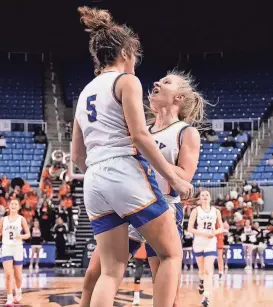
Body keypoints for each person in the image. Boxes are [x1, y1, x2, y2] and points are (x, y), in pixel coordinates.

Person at [72, 7, 193, 307]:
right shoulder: (126, 81)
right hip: (121, 172)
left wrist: (101, 172)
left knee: (110, 272)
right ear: (126, 52)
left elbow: (77, 154)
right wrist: (172, 177)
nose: (135, 62)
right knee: (171, 254)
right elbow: (140, 136)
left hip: (93, 180)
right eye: (135, 56)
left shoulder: (84, 92)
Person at [188, 190, 223, 307]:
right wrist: (203, 234)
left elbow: (221, 227)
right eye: (202, 195)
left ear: (210, 198)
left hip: (210, 242)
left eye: (206, 195)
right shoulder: (195, 211)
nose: (204, 197)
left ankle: (206, 297)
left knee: (209, 271)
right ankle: (201, 282)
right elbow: (190, 228)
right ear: (199, 199)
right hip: (199, 241)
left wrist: (215, 232)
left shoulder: (216, 211)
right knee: (202, 270)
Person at [0, 199, 30, 306]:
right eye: (12, 203)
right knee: (8, 274)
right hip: (6, 247)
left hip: (17, 247)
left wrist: (20, 236)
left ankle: (18, 290)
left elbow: (28, 234)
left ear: (18, 207)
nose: (13, 205)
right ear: (9, 206)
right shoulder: (3, 220)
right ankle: (9, 298)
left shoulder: (21, 219)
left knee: (18, 275)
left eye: (15, 204)